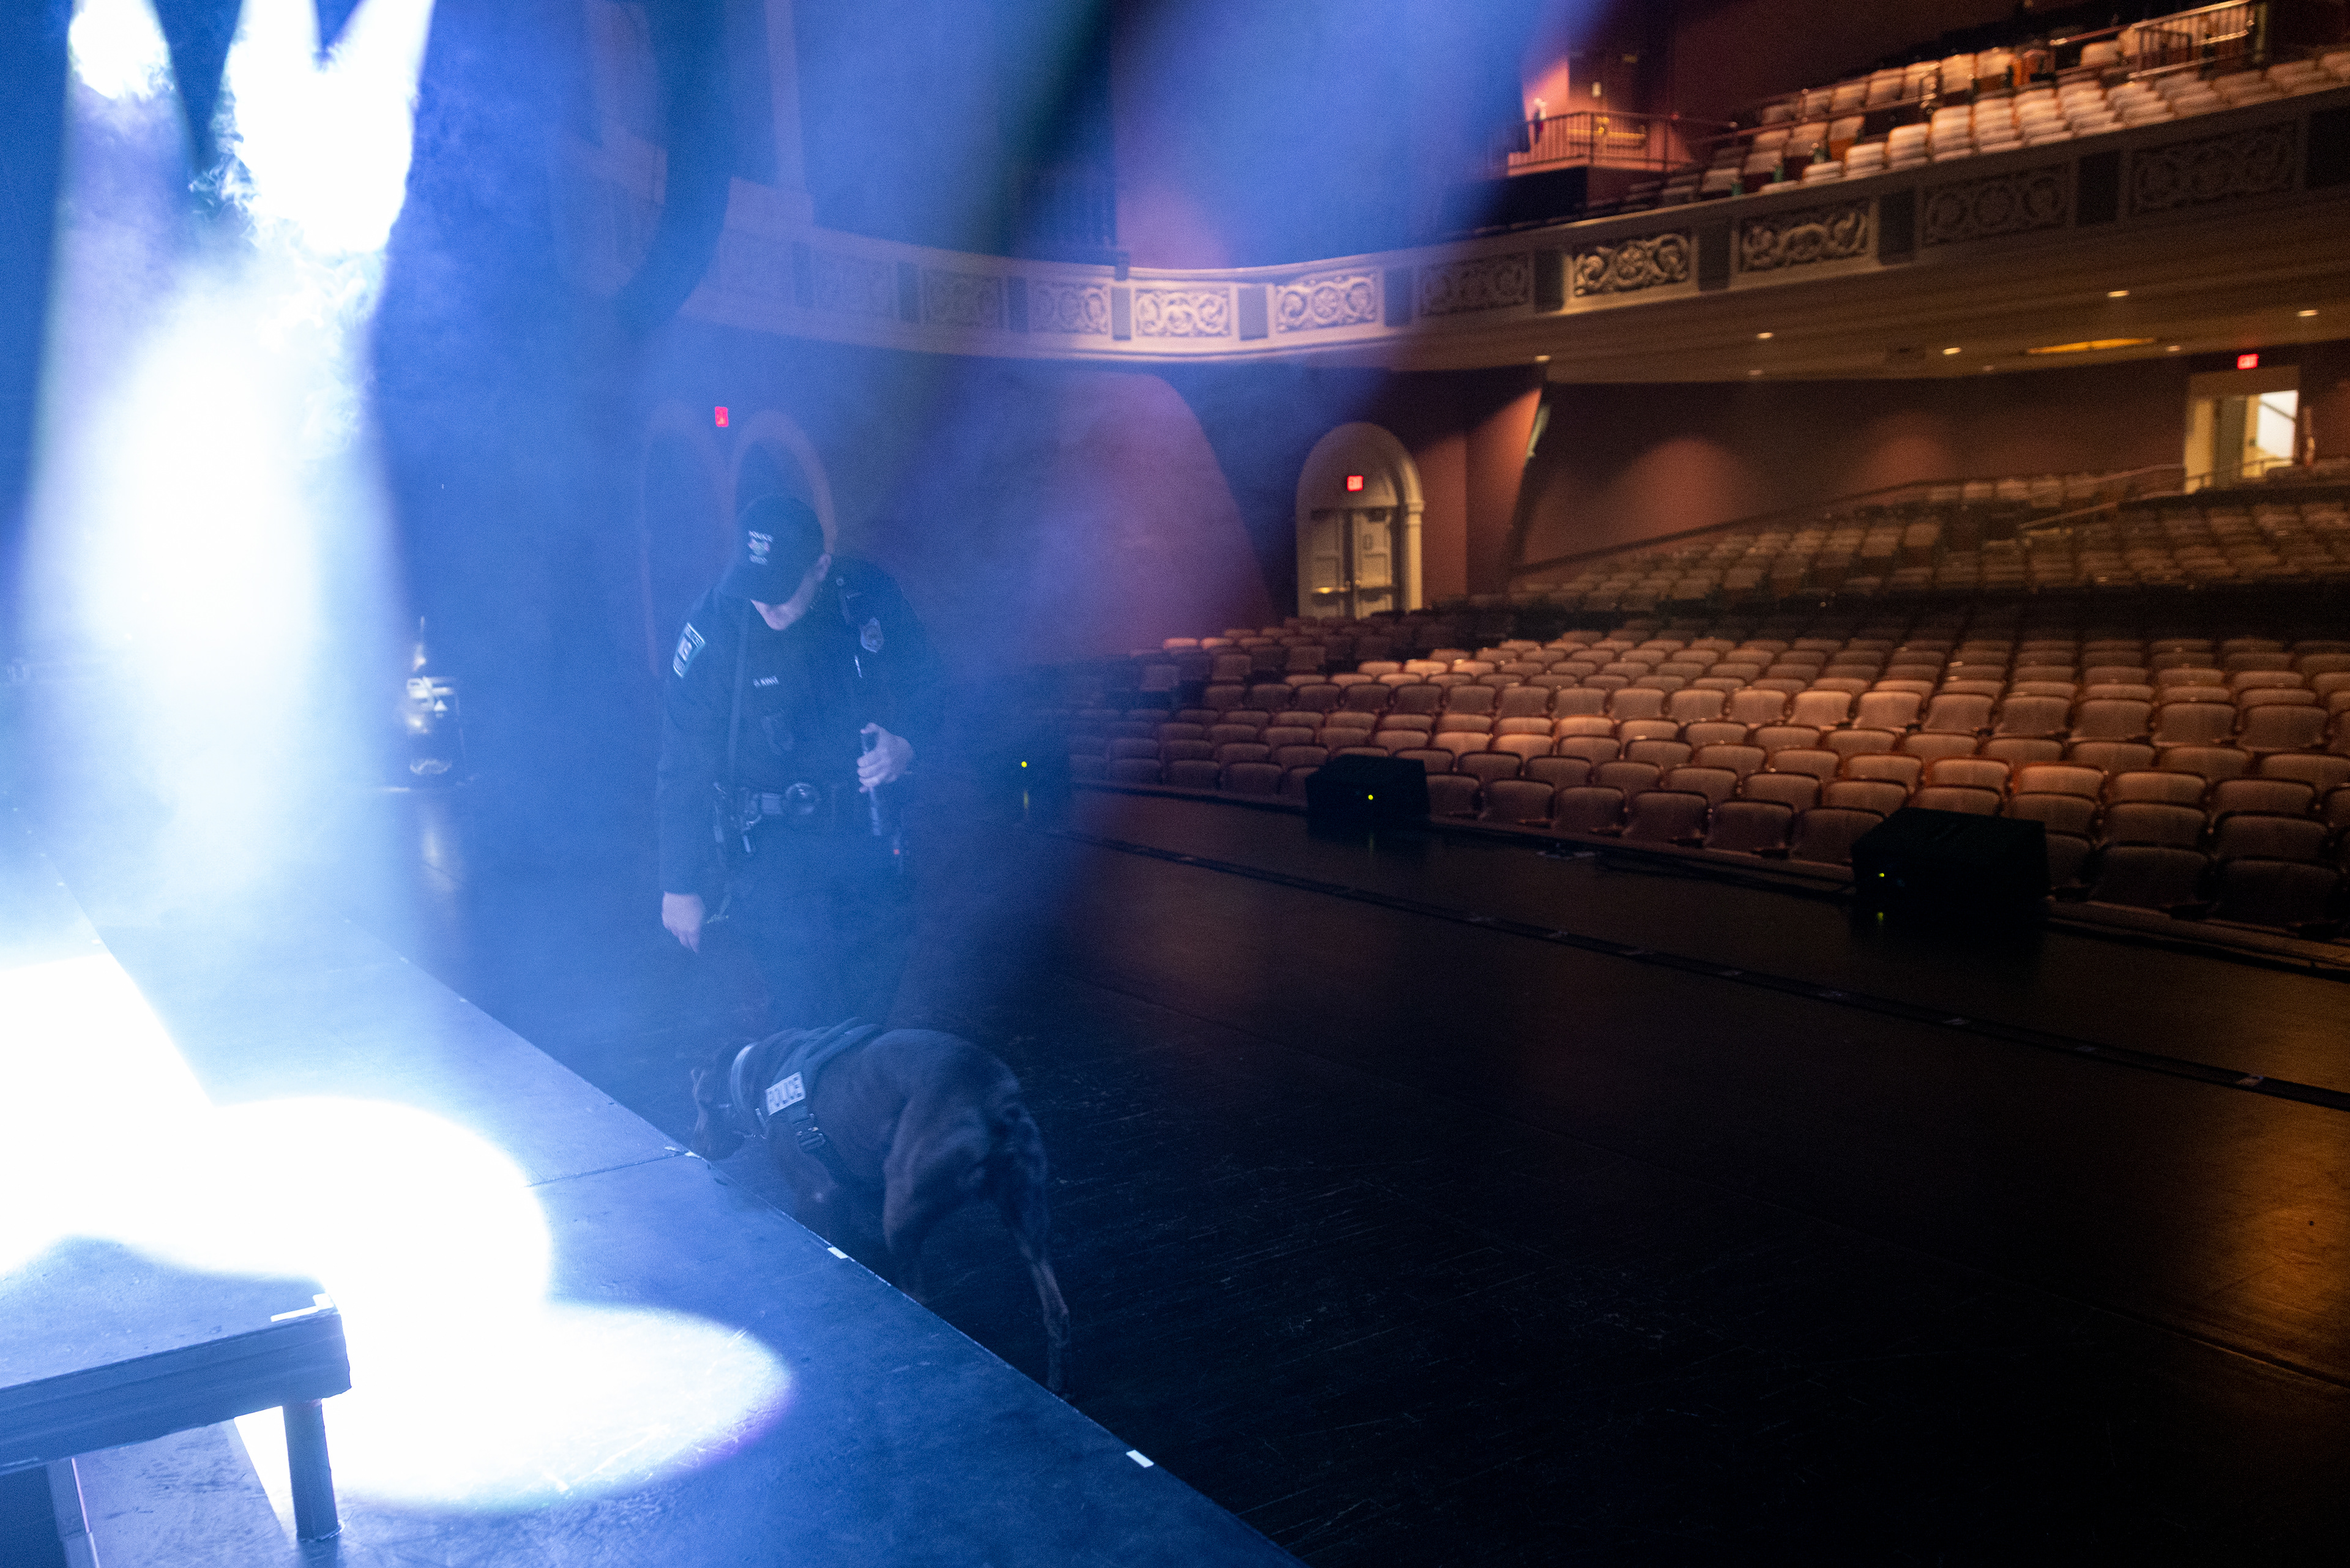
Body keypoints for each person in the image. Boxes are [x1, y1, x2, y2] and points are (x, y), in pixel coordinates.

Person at [657, 496, 943, 1027]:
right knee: (802, 1011)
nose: (767, 606)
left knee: (870, 1003)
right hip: (770, 848)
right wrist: (680, 883)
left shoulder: (865, 597)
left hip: (864, 835)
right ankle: (806, 1082)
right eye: (755, 588)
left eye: (781, 590)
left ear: (820, 567)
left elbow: (929, 685)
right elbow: (683, 760)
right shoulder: (715, 625)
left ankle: (855, 1075)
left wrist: (907, 745)